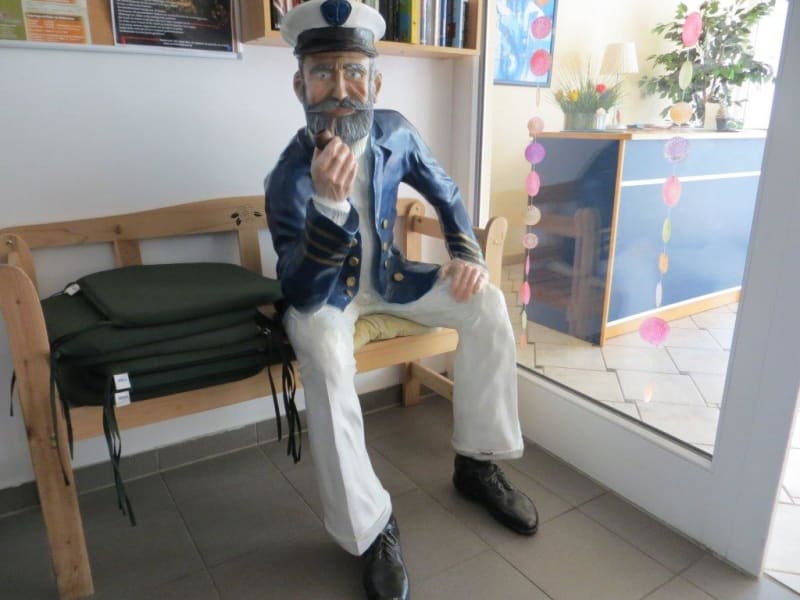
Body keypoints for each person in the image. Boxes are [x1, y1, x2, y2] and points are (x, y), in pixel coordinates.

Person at [265, 1, 538, 597]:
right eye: (323, 72)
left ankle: (477, 463)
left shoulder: (396, 132)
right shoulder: (288, 177)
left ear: (376, 81)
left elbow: (446, 192)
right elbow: (300, 293)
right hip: (330, 299)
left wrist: (466, 255)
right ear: (300, 86)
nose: (341, 89)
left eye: (354, 71)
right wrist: (328, 206)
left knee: (487, 304)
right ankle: (370, 527)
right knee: (320, 348)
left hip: (392, 282)